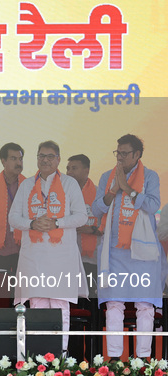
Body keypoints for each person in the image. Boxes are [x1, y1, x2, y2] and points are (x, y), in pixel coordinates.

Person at [92, 134, 167, 360]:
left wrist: (129, 189)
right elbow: (96, 209)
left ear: (137, 155)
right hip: (114, 253)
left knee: (145, 306)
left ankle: (143, 359)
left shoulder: (150, 176)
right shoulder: (107, 177)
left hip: (142, 254)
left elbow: (153, 205)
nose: (120, 157)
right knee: (114, 305)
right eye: (118, 153)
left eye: (125, 153)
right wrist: (114, 189)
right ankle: (114, 359)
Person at [9, 140, 88, 353]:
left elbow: (82, 216)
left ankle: (60, 358)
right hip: (34, 257)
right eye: (41, 156)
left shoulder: (69, 184)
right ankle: (40, 358)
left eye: (50, 156)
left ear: (58, 159)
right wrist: (32, 224)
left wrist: (57, 222)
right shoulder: (26, 185)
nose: (45, 160)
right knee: (37, 306)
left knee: (61, 307)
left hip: (62, 257)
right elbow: (13, 218)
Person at [0, 143, 25, 275]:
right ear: (3, 161)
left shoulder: (30, 186)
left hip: (22, 250)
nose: (18, 163)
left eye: (20, 159)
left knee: (20, 292)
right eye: (13, 159)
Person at [66, 154, 100, 286]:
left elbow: (108, 226)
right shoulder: (62, 195)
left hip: (92, 258)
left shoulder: (99, 195)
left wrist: (91, 229)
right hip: (68, 257)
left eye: (74, 168)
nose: (69, 172)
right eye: (68, 168)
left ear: (87, 170)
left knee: (90, 298)